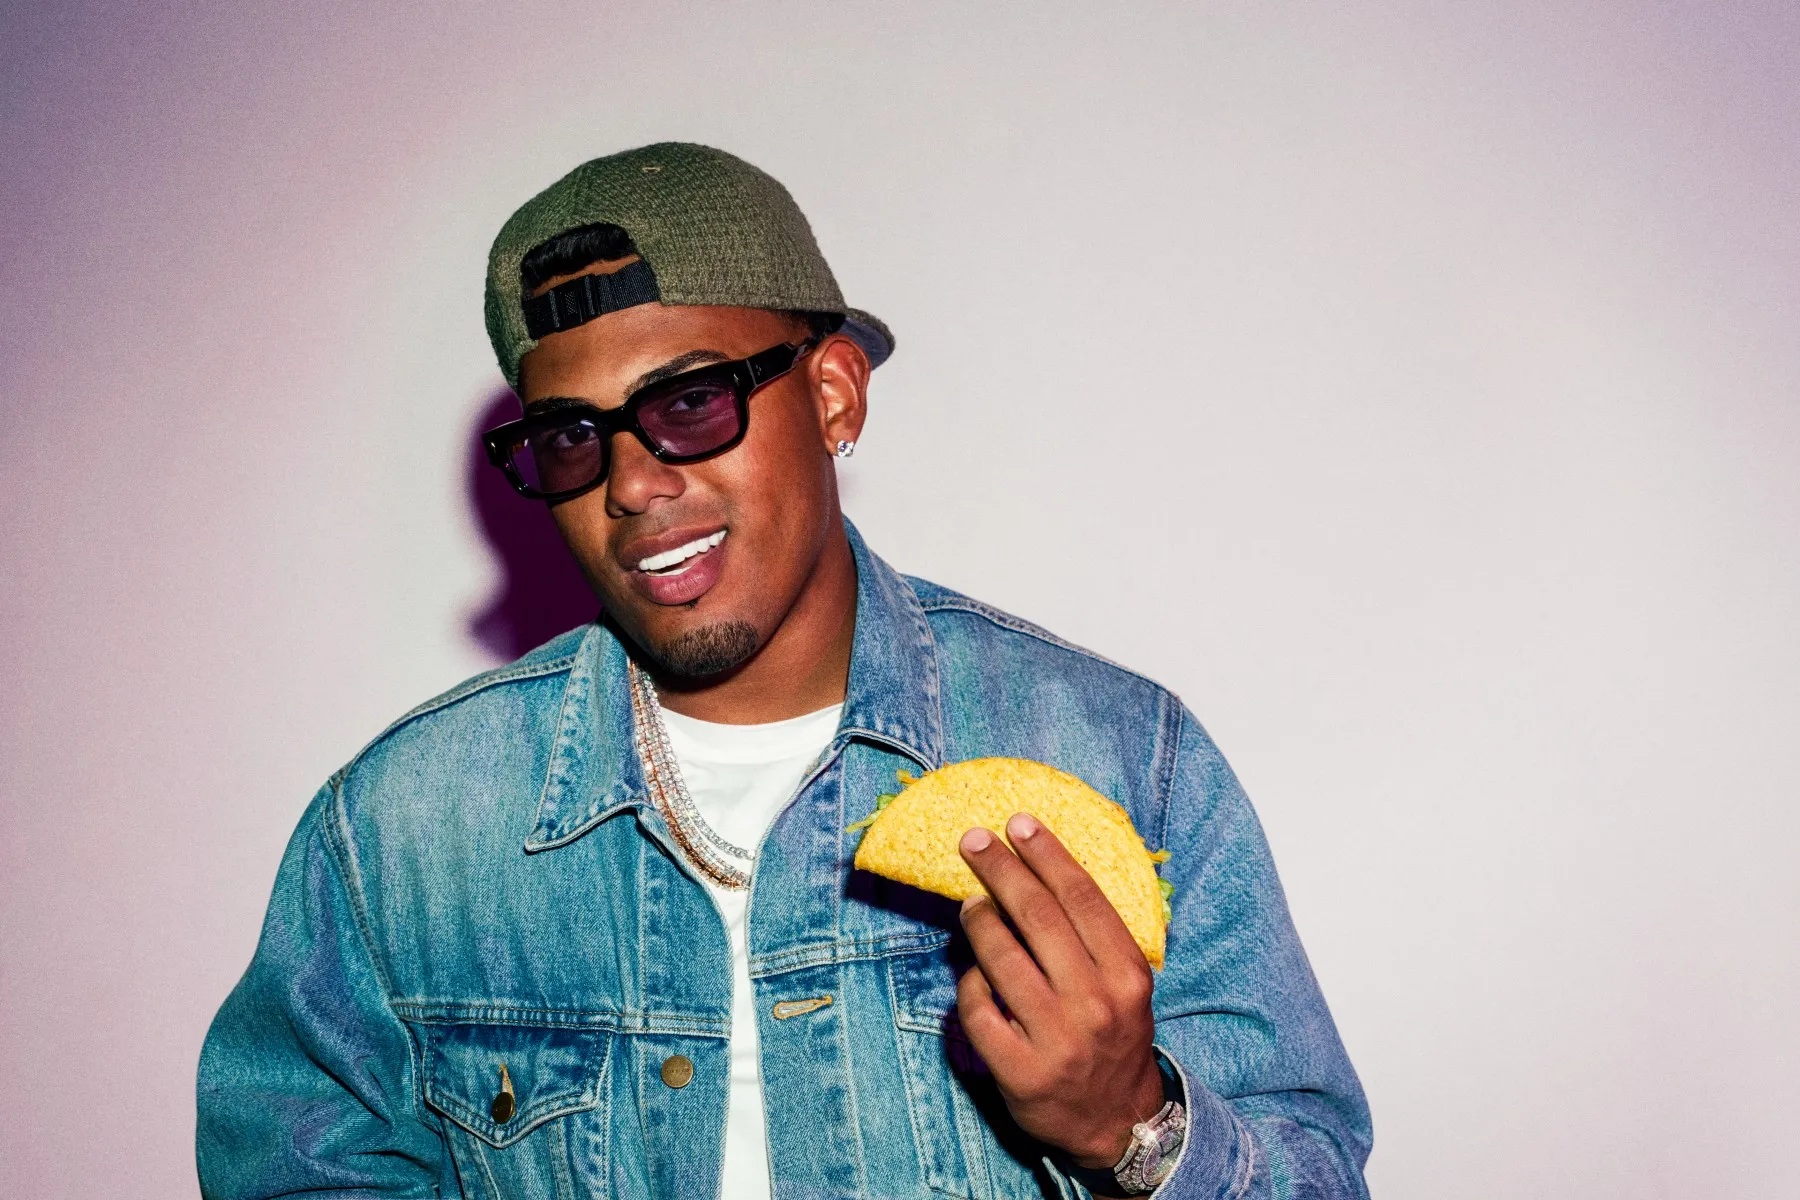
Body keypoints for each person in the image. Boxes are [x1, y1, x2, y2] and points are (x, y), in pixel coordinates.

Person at [196, 142, 1371, 1199]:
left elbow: (1312, 1172)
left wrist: (1132, 1128)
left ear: (833, 394)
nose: (632, 485)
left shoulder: (1120, 759)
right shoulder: (404, 829)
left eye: (690, 402)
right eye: (571, 437)